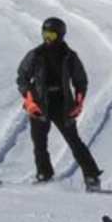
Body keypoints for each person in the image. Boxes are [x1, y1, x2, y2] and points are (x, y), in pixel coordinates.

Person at [16, 16, 103, 190]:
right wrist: (29, 99)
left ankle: (92, 176)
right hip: (39, 103)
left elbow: (81, 81)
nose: (47, 39)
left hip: (62, 105)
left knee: (74, 141)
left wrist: (79, 101)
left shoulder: (69, 57)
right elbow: (22, 78)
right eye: (45, 34)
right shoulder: (35, 55)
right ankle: (44, 174)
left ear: (61, 36)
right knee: (39, 143)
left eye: (52, 36)